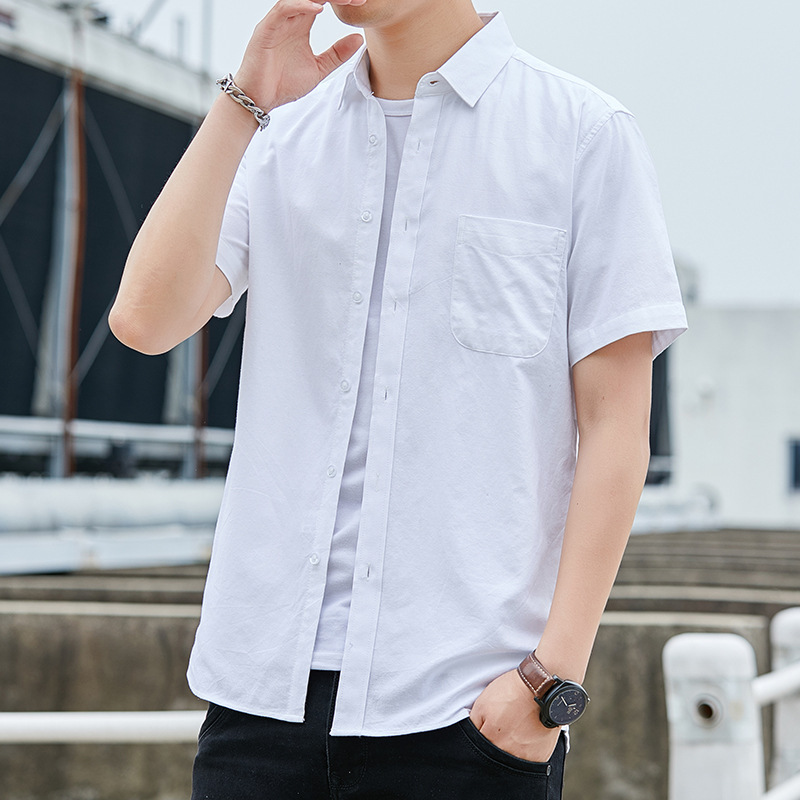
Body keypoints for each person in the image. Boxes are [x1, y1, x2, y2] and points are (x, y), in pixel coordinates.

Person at [110, 0, 687, 797]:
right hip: (261, 699)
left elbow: (616, 428)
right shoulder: (281, 134)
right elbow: (144, 320)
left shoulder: (581, 134)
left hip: (467, 708)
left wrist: (548, 681)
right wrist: (244, 100)